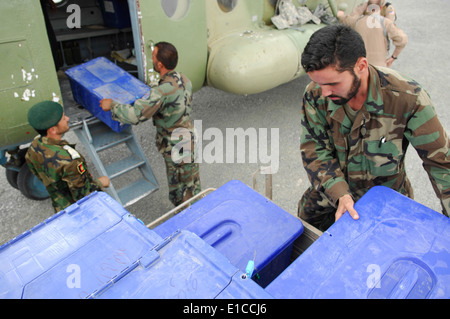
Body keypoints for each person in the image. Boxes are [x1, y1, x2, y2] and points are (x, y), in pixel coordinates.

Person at [298, 24, 450, 231]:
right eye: (318, 83)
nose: (324, 93)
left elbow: (441, 164)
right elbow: (315, 151)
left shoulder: (408, 98)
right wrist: (340, 193)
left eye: (333, 84)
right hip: (329, 200)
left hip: (387, 205)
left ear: (361, 66)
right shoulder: (315, 93)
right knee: (307, 242)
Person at [100, 41, 201, 207]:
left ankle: (188, 219)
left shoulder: (159, 92)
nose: (151, 59)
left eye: (153, 56)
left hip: (176, 147)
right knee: (193, 183)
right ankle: (199, 212)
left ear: (159, 64)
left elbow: (135, 116)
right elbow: (170, 92)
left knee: (180, 191)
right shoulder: (184, 79)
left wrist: (112, 105)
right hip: (189, 138)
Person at [25, 100, 110, 212]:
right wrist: (101, 182)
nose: (68, 119)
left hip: (59, 206)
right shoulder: (69, 160)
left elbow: (36, 172)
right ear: (53, 130)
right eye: (63, 118)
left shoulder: (35, 146)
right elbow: (83, 195)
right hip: (78, 211)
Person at [337, 0, 407, 67]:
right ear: (380, 7)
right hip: (379, 68)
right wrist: (393, 57)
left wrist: (340, 14)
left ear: (367, 8)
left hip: (360, 66)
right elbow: (402, 39)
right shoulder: (386, 21)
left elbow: (347, 18)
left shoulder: (356, 22)